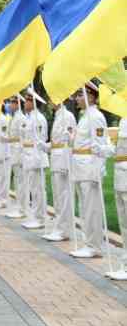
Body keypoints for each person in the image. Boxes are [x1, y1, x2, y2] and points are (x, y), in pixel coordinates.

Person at [69, 82, 112, 258]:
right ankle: (88, 242)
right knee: (84, 206)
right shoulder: (85, 116)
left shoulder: (95, 117)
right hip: (80, 166)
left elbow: (101, 146)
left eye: (80, 95)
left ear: (91, 96)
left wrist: (97, 171)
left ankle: (94, 246)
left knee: (91, 208)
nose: (77, 99)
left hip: (89, 168)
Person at [41, 101, 76, 241]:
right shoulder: (58, 116)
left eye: (52, 98)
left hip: (63, 159)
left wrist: (66, 161)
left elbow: (70, 140)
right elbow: (57, 142)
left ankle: (64, 230)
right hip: (56, 157)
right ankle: (59, 227)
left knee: (64, 196)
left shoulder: (67, 116)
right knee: (57, 196)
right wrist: (46, 146)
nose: (50, 102)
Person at [20, 89, 49, 230]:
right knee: (33, 189)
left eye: (28, 100)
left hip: (36, 158)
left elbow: (40, 140)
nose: (25, 103)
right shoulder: (30, 117)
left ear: (33, 102)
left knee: (38, 190)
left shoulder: (39, 119)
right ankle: (35, 216)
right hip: (28, 156)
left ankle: (40, 218)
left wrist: (36, 160)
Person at [106, 117, 127, 279]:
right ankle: (125, 263)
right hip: (120, 175)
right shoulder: (123, 119)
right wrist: (104, 147)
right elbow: (119, 149)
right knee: (123, 223)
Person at [5, 95, 28, 219]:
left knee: (21, 182)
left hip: (19, 152)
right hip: (14, 151)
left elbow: (23, 138)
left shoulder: (21, 118)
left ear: (18, 104)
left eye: (13, 103)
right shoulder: (15, 118)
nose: (10, 105)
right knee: (18, 182)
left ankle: (22, 208)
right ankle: (19, 206)